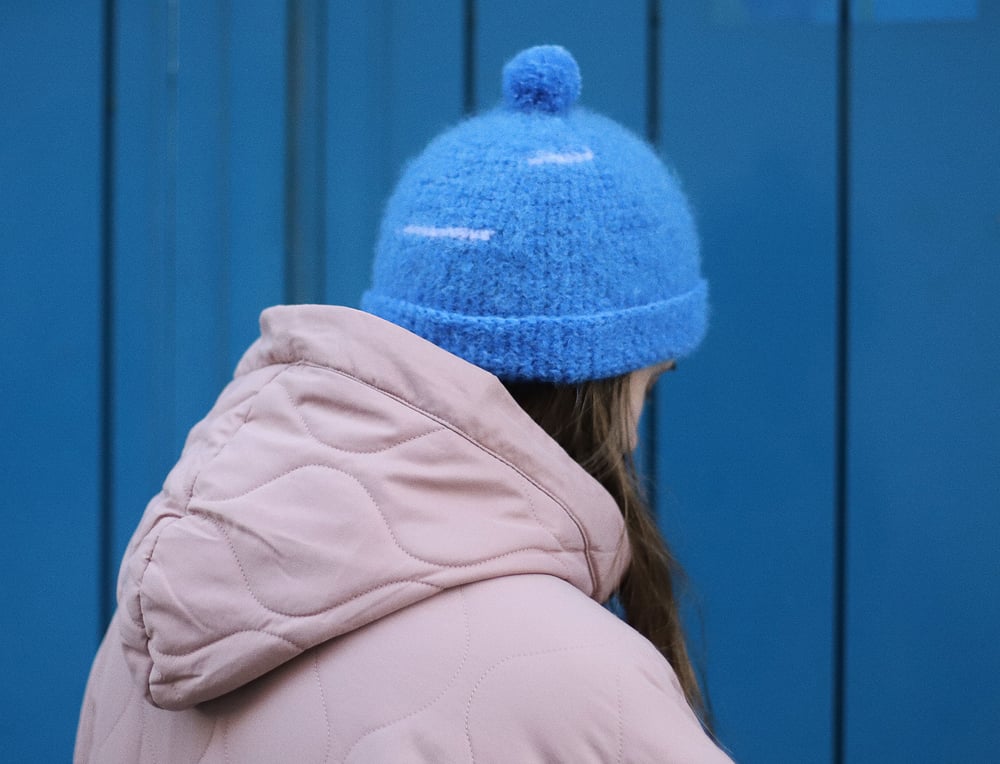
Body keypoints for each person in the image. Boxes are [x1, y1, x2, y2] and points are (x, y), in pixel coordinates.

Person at [75, 45, 733, 763]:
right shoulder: (587, 689)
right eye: (650, 382)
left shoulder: (159, 624)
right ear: (599, 385)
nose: (635, 438)